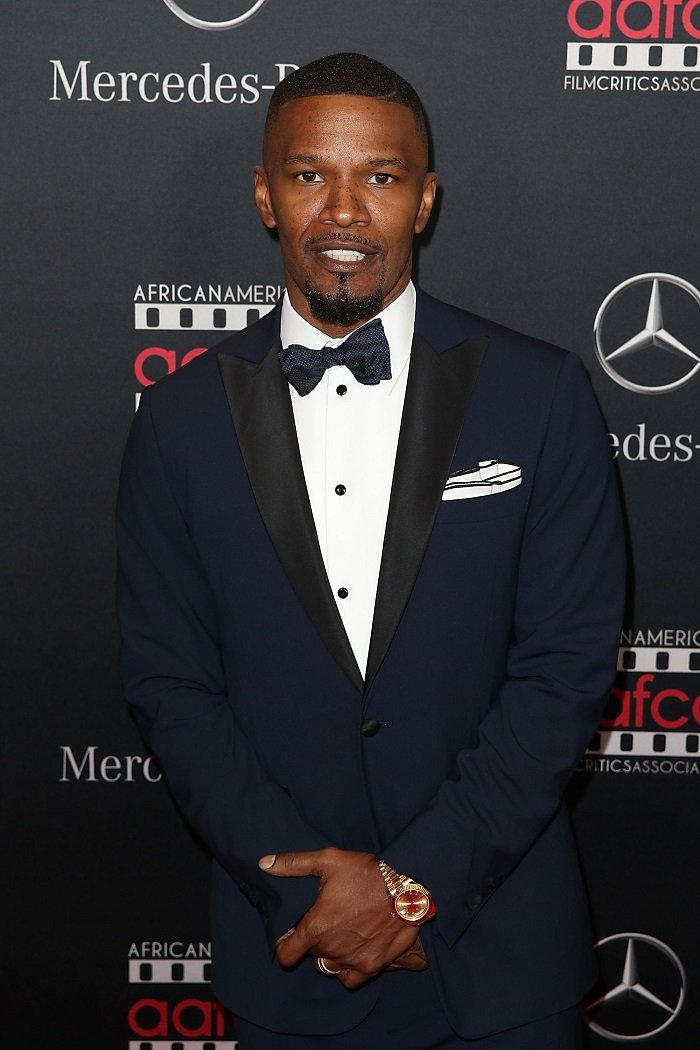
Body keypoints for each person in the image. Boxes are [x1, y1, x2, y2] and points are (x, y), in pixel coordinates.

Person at [117, 52, 625, 1049]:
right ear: (265, 195)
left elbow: (563, 673)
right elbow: (171, 687)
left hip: (501, 960)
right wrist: (317, 896)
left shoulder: (541, 396)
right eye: (310, 175)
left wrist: (410, 886)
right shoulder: (176, 422)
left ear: (424, 201)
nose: (343, 211)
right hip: (295, 953)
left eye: (380, 178)